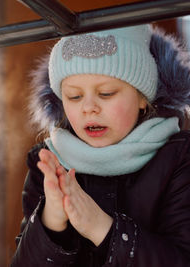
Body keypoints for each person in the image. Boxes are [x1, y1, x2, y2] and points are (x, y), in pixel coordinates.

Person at [10, 24, 190, 266]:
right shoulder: (48, 164)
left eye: (106, 93)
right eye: (74, 96)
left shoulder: (178, 158)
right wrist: (51, 221)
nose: (88, 107)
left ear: (142, 98)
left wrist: (102, 229)